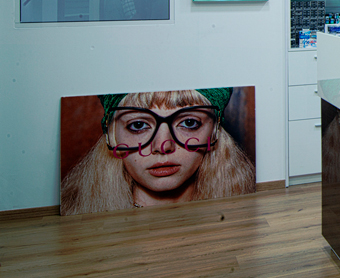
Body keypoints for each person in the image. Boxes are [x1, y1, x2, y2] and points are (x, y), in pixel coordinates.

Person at [61, 87, 255, 213]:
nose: (163, 146)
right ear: (111, 134)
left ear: (214, 131)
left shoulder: (243, 213)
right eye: (138, 125)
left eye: (189, 123)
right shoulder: (75, 220)